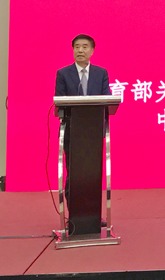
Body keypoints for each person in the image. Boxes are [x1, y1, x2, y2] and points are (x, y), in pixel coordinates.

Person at [55, 34, 110, 228]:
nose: (80, 50)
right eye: (77, 46)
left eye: (85, 46)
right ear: (73, 50)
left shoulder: (101, 73)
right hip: (72, 133)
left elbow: (107, 99)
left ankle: (93, 215)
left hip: (93, 133)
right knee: (74, 175)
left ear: (92, 51)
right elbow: (59, 103)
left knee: (92, 175)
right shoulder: (63, 74)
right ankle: (74, 216)